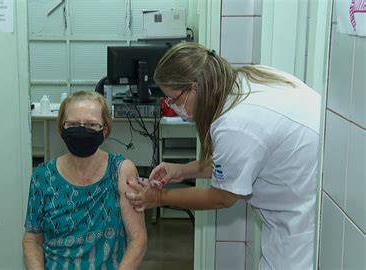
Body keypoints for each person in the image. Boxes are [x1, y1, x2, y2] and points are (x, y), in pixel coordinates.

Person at [125, 42, 320, 269]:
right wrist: (181, 170)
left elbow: (222, 197)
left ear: (194, 87)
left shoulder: (234, 123)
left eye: (173, 99)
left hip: (304, 223)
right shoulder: (245, 80)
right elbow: (233, 162)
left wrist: (158, 199)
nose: (172, 106)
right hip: (306, 199)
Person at [23, 91, 147, 270]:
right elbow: (32, 239)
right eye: (73, 124)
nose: (82, 131)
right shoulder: (43, 177)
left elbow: (138, 239)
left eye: (91, 125)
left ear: (105, 130)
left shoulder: (121, 172)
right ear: (61, 128)